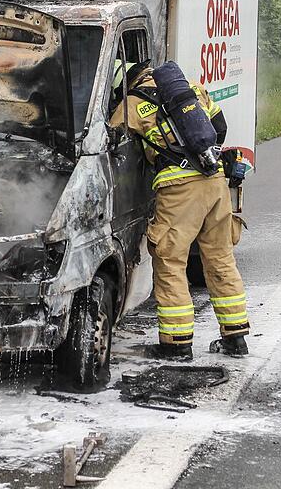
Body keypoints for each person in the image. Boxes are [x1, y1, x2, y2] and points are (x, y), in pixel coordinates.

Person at [109, 61, 250, 361]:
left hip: (179, 188)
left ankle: (176, 343)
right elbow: (219, 127)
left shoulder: (131, 103)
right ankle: (236, 338)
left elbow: (108, 145)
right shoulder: (190, 90)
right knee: (220, 256)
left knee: (170, 258)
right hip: (214, 182)